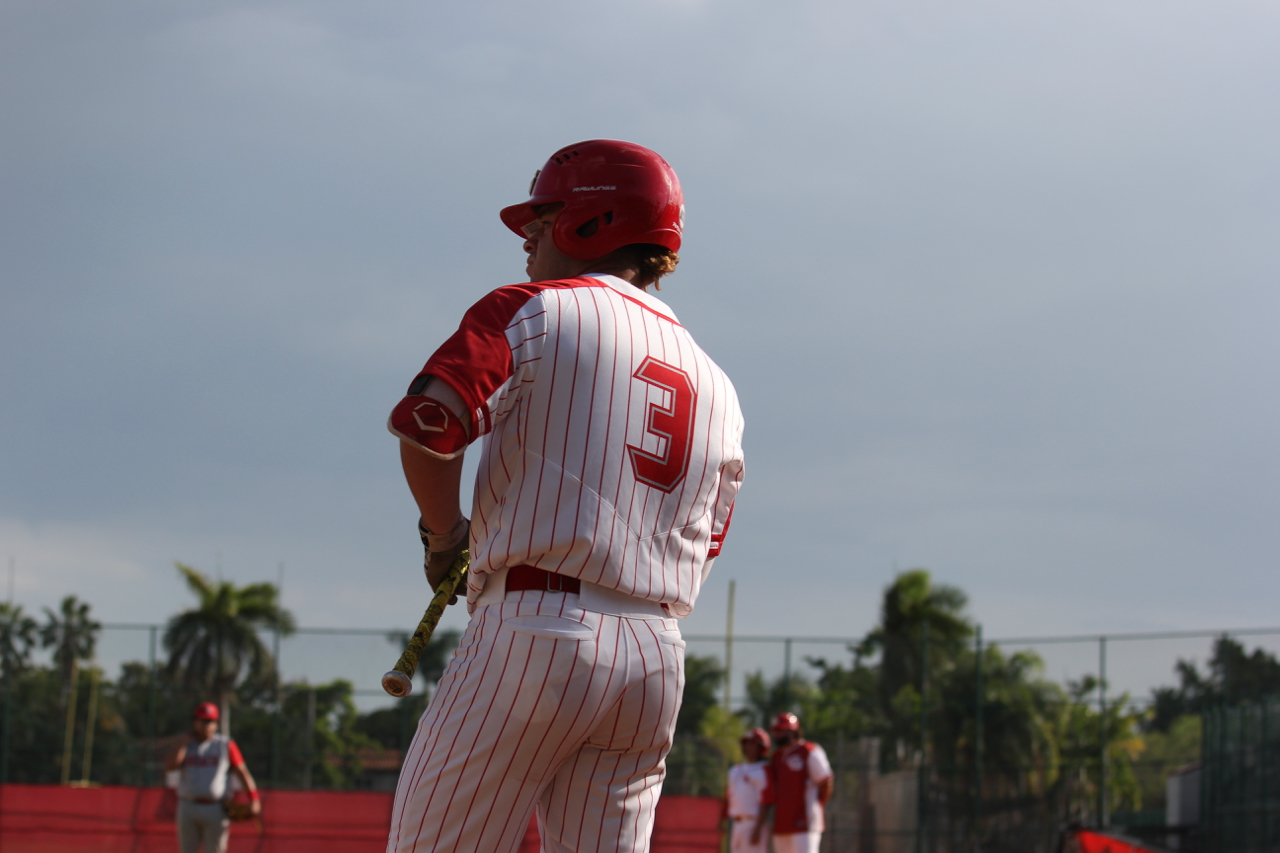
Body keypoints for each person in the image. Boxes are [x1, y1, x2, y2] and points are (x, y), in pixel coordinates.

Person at [385, 139, 745, 853]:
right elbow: (708, 541)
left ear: (591, 224)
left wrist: (446, 534)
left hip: (535, 627)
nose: (527, 238)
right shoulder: (719, 384)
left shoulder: (534, 309)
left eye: (542, 218)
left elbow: (430, 424)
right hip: (655, 654)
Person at [164, 702, 261, 853]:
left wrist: (254, 799)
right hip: (188, 806)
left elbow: (242, 772)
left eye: (210, 721)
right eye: (202, 720)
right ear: (194, 722)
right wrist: (182, 743)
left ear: (216, 724)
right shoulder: (185, 744)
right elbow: (170, 766)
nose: (206, 725)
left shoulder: (225, 744)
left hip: (216, 808)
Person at [766, 712, 833, 853]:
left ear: (792, 731)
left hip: (805, 822)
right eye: (775, 731)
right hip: (782, 823)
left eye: (780, 730)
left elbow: (825, 782)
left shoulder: (808, 751)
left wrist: (816, 806)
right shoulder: (777, 756)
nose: (776, 735)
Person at [722, 728, 772, 853]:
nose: (748, 747)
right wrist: (722, 819)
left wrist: (758, 829)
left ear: (762, 747)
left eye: (752, 744)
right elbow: (729, 796)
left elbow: (766, 801)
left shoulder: (764, 770)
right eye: (746, 743)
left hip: (753, 824)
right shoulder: (735, 770)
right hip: (736, 823)